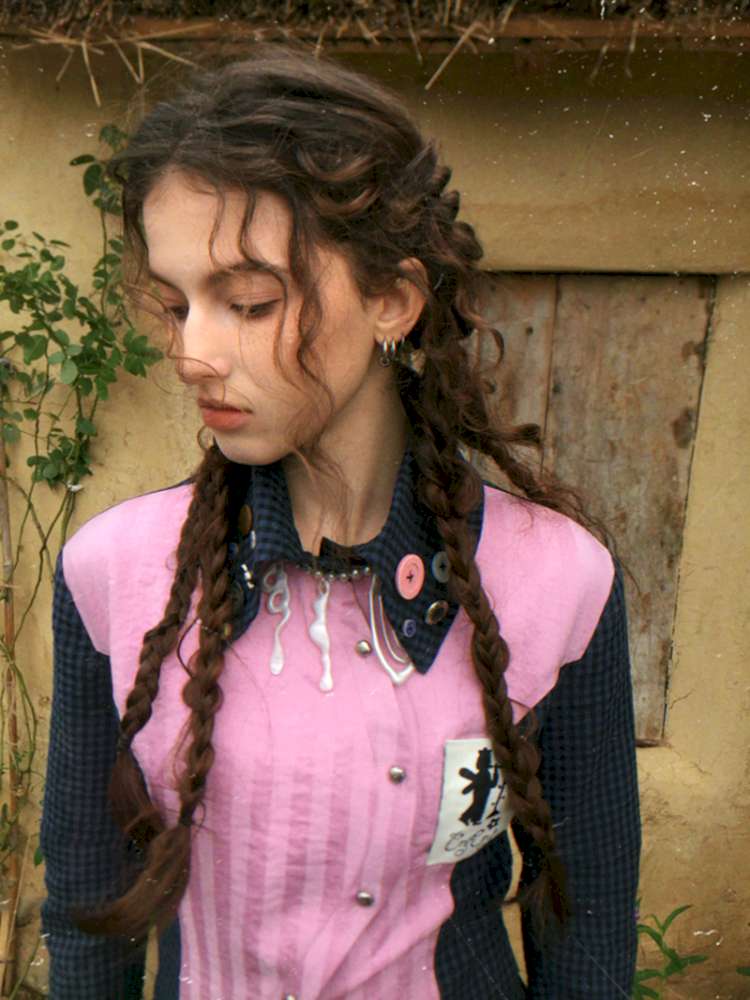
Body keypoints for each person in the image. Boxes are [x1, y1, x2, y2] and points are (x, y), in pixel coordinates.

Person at [40, 45, 641, 1000]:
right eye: (176, 303)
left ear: (392, 300)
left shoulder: (557, 581)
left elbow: (589, 932)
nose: (192, 353)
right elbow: (87, 911)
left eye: (248, 302)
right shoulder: (115, 571)